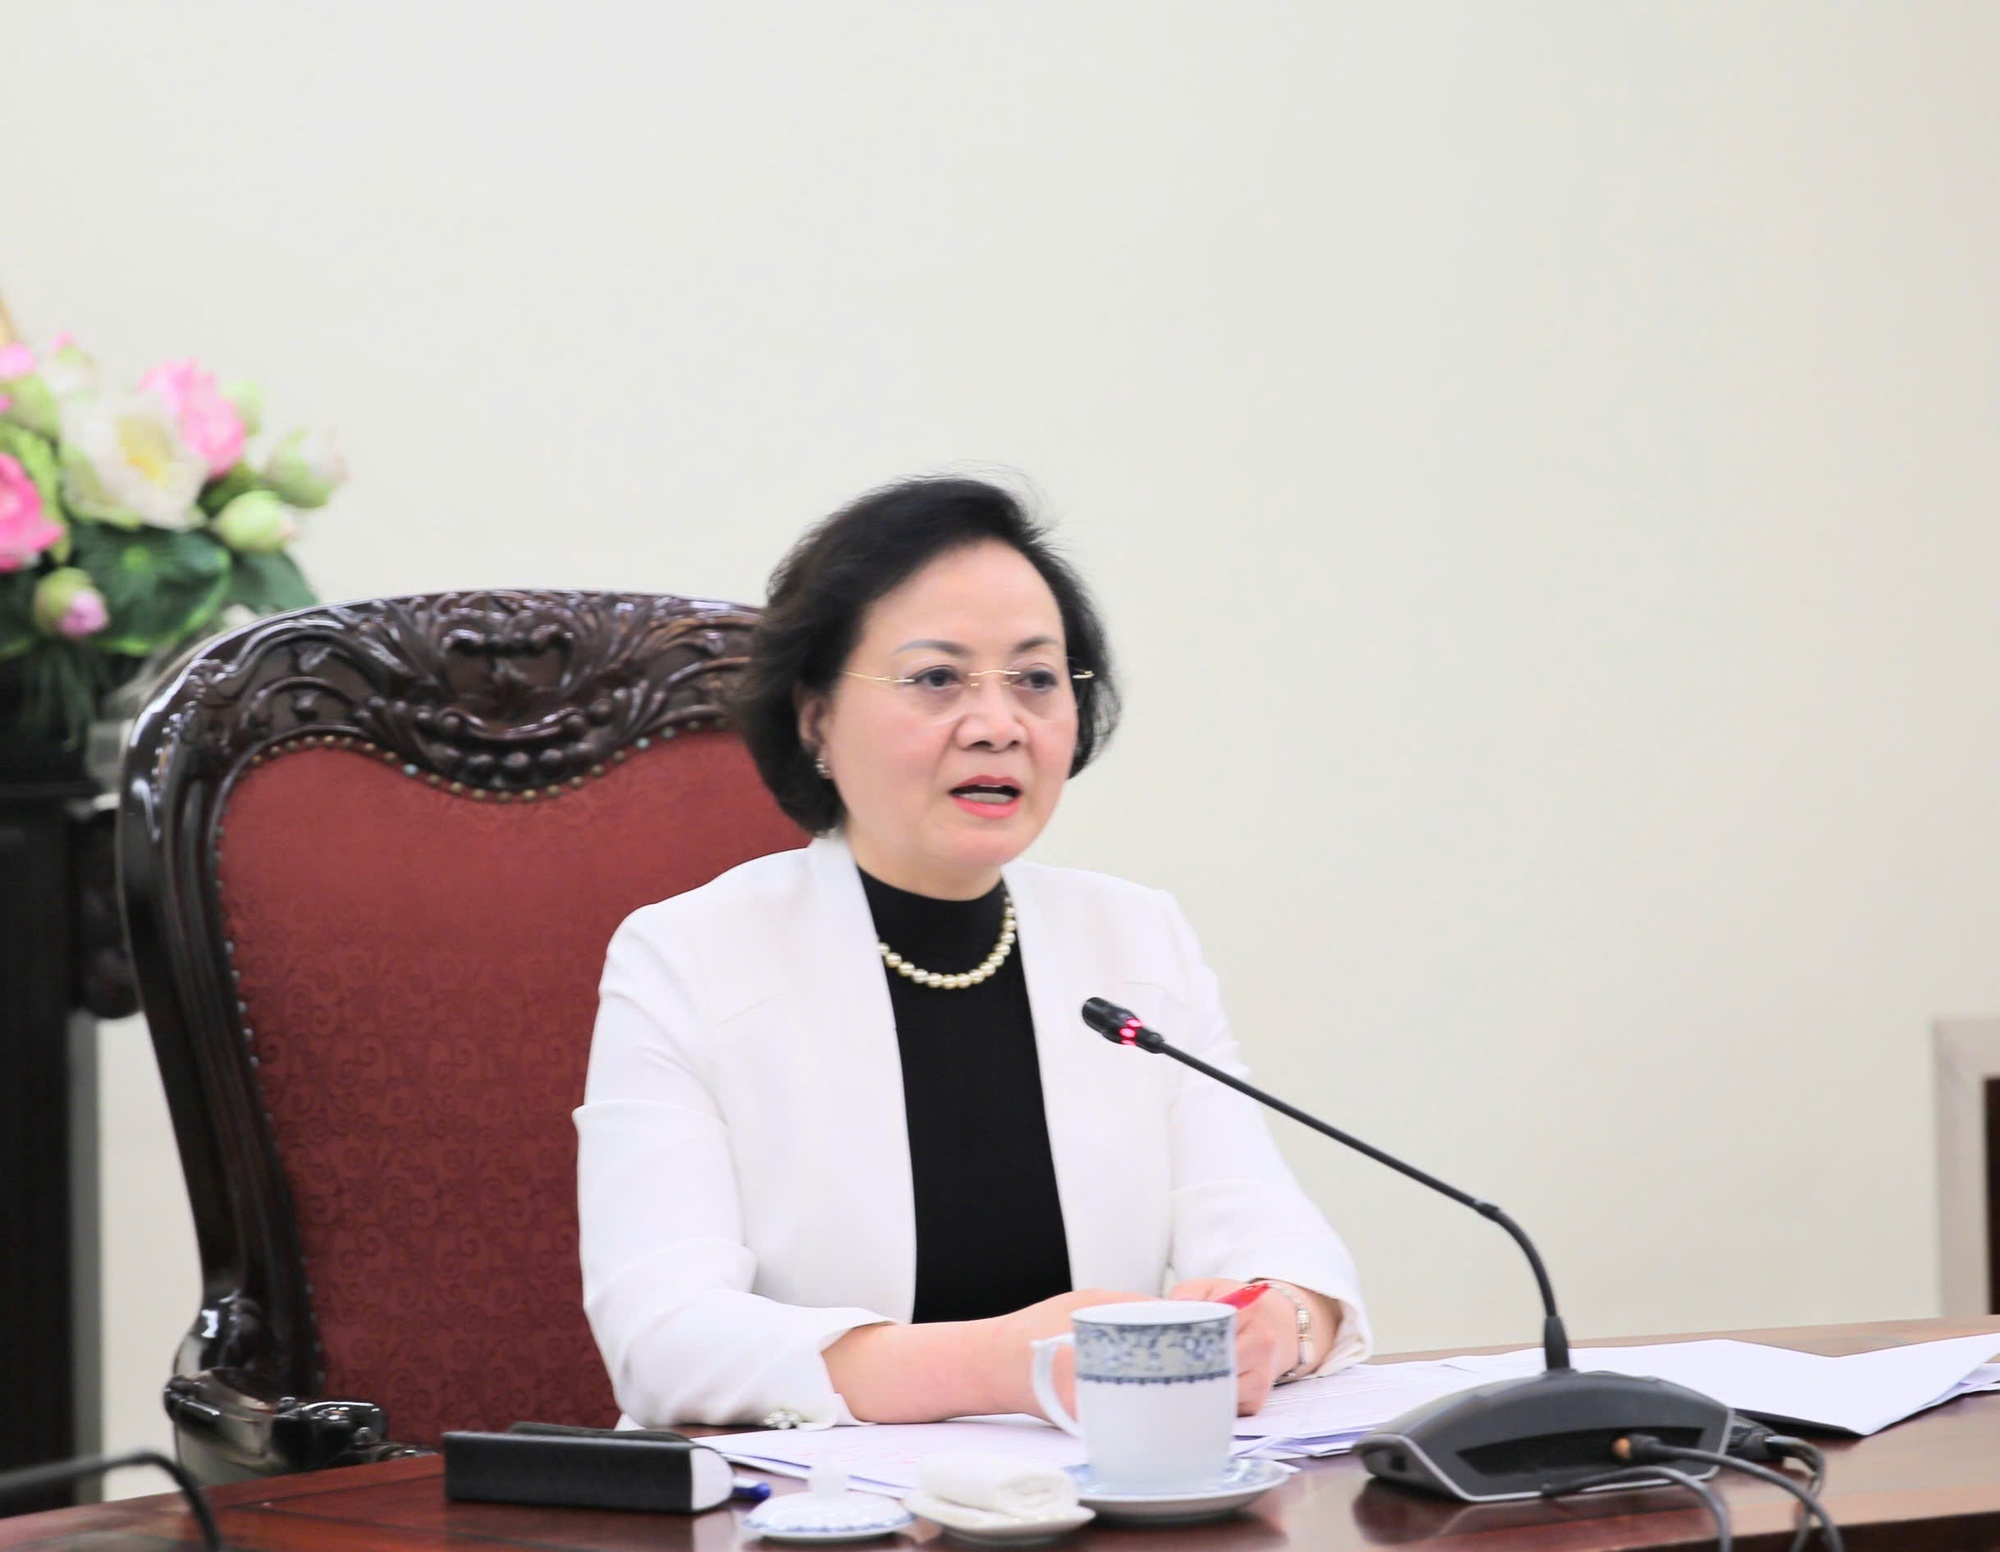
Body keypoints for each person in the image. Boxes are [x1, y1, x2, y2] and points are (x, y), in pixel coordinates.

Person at [575, 477, 1369, 1429]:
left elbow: (1279, 1245)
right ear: (815, 715)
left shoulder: (1134, 938)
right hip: (809, 1502)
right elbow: (661, 1341)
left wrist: (1276, 1324)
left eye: (1035, 679)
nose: (998, 725)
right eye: (937, 679)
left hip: (1098, 1492)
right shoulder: (687, 958)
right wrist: (1005, 1366)